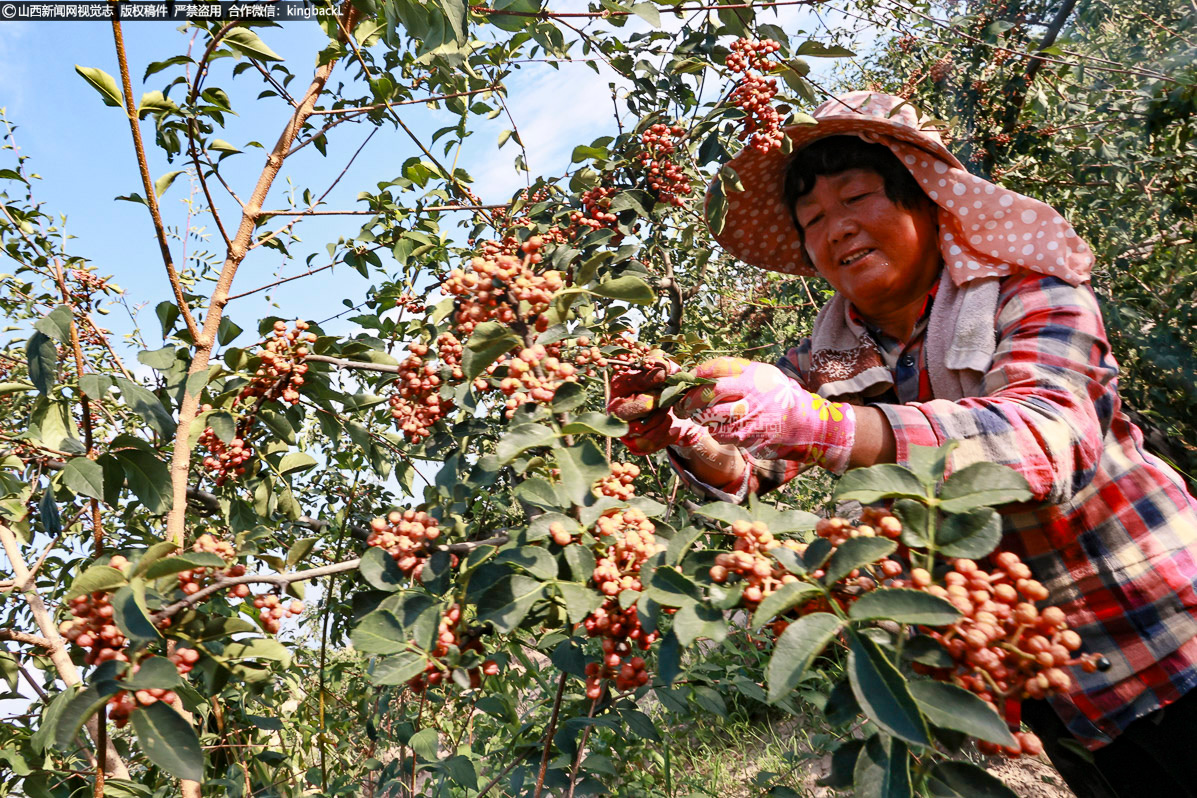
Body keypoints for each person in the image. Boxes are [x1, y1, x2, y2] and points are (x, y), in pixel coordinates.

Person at [610, 91, 1197, 797]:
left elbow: (1051, 438)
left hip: (1169, 637)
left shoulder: (1027, 292)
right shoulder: (828, 358)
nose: (837, 229)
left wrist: (824, 425)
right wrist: (686, 432)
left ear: (925, 201)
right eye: (814, 219)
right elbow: (755, 468)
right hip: (1053, 689)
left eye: (856, 197)